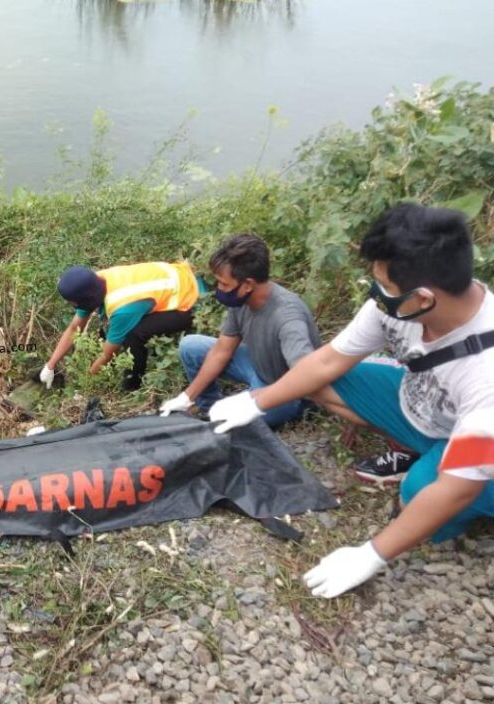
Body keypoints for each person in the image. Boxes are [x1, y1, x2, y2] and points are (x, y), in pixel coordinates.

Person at [208, 203, 494, 598]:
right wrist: (257, 401)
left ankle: (454, 509)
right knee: (328, 380)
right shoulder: (394, 305)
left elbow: (457, 486)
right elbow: (326, 361)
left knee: (420, 497)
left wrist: (371, 554)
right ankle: (418, 450)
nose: (377, 295)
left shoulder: (486, 375)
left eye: (385, 288)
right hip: (422, 405)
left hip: (475, 449)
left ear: (425, 297)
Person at [159, 234, 321, 427]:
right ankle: (210, 409)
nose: (219, 288)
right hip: (257, 365)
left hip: (285, 390)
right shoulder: (241, 301)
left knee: (236, 417)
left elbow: (308, 376)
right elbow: (221, 351)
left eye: (224, 284)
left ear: (248, 284)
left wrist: (256, 398)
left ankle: (226, 417)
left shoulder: (287, 318)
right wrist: (186, 397)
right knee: (190, 346)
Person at [40, 261, 199, 392]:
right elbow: (75, 328)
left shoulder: (122, 308)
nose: (71, 305)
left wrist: (84, 386)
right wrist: (50, 365)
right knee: (110, 331)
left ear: (84, 299)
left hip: (188, 299)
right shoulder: (95, 281)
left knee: (134, 335)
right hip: (174, 275)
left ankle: (132, 386)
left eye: (72, 302)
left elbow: (106, 355)